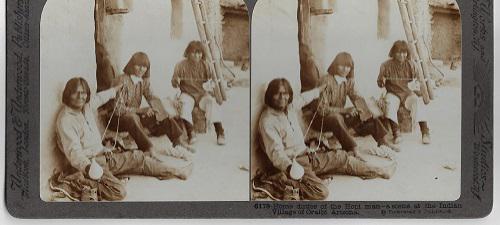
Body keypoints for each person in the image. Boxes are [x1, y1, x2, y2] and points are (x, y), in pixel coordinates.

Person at [254, 78, 396, 200]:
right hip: (293, 164)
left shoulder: (289, 107)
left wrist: (320, 89)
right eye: (277, 94)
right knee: (321, 191)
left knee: (341, 157)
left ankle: (379, 171)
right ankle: (277, 183)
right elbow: (276, 153)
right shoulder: (268, 121)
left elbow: (303, 98)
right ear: (269, 96)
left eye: (285, 93)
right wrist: (291, 169)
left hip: (307, 155)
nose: (282, 97)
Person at [55, 77, 192, 201]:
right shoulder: (66, 120)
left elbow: (100, 98)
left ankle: (176, 172)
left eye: (84, 92)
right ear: (68, 94)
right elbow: (74, 153)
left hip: (103, 156)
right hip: (90, 165)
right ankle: (77, 182)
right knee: (118, 191)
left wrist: (115, 89)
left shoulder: (86, 107)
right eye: (76, 93)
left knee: (139, 158)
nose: (81, 97)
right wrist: (89, 168)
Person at [302, 52, 399, 159]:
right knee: (336, 117)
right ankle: (352, 149)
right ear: (335, 65)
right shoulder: (326, 80)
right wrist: (345, 111)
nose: (345, 69)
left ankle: (383, 142)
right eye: (342, 65)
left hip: (338, 117)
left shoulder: (348, 81)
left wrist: (368, 109)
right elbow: (322, 110)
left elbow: (357, 97)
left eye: (348, 66)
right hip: (320, 119)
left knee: (365, 112)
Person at [102, 52, 192, 153]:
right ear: (131, 65)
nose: (141, 69)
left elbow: (151, 96)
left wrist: (160, 110)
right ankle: (147, 148)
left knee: (161, 112)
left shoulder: (143, 81)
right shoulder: (121, 80)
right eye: (138, 65)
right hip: (115, 119)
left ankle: (178, 142)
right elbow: (118, 109)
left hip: (134, 116)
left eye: (145, 66)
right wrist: (141, 110)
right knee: (132, 118)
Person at [171, 41, 226, 145]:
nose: (197, 55)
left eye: (199, 53)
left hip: (202, 95)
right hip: (187, 94)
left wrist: (211, 85)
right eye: (194, 53)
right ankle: (191, 132)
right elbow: (173, 83)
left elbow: (212, 81)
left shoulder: (206, 65)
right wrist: (176, 81)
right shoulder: (180, 65)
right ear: (188, 53)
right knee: (184, 104)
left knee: (211, 103)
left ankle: (220, 132)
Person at [377, 40, 431, 144]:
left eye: (404, 52)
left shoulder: (411, 64)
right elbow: (380, 83)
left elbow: (417, 82)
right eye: (399, 52)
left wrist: (417, 88)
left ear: (407, 53)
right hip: (393, 93)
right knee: (390, 103)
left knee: (417, 102)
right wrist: (382, 81)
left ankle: (425, 132)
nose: (402, 55)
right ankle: (396, 133)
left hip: (408, 94)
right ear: (393, 53)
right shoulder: (385, 65)